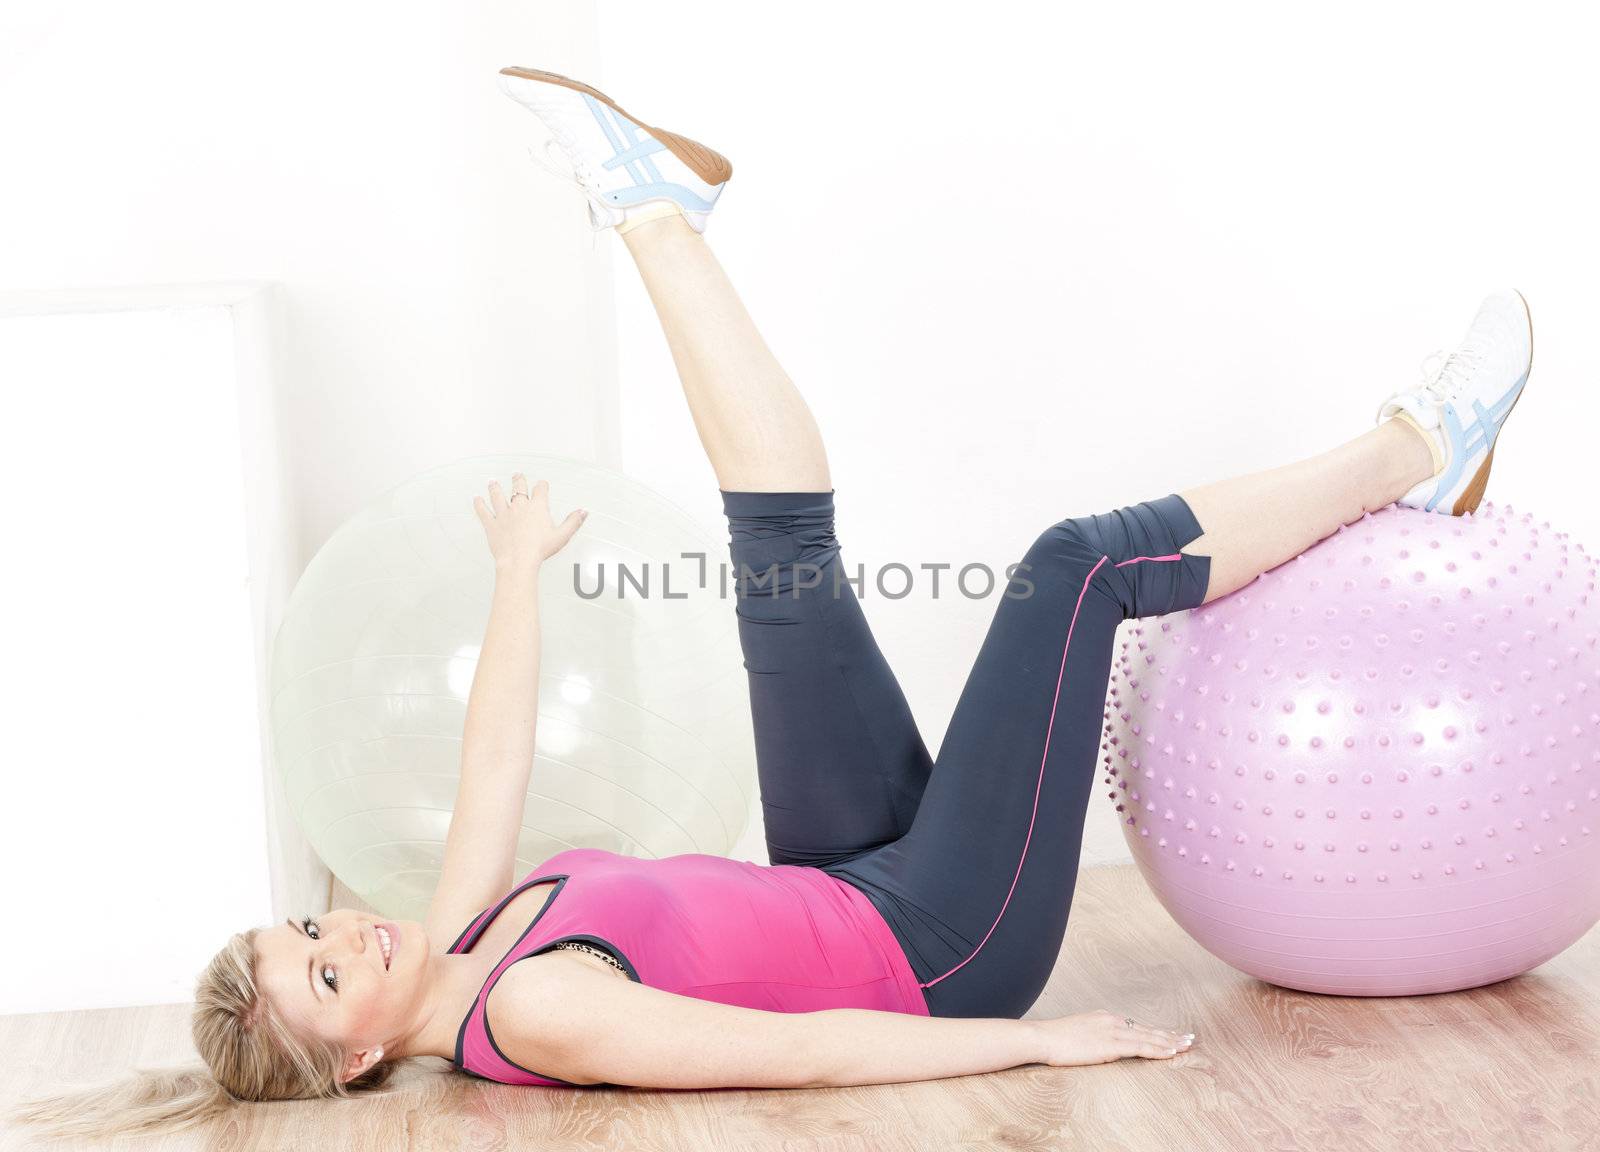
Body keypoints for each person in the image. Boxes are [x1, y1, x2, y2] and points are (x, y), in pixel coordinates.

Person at [11, 66, 1533, 1141]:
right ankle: (1421, 441)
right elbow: (791, 1057)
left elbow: (491, 761)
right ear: (349, 1067)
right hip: (940, 947)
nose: (346, 943)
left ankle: (655, 213)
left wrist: (515, 577)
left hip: (846, 872)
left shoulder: (467, 932)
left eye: (306, 931)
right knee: (1075, 567)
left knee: (778, 561)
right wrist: (1037, 1035)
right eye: (325, 979)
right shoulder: (532, 1019)